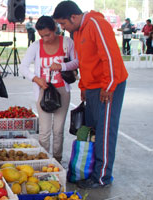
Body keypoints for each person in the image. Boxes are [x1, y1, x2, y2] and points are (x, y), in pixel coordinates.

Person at [53, 1, 128, 189]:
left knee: (105, 131)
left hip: (109, 85)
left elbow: (110, 57)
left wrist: (109, 86)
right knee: (93, 130)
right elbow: (85, 61)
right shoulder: (77, 31)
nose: (63, 28)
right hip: (93, 86)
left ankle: (102, 177)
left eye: (64, 24)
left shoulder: (96, 24)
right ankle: (91, 171)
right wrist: (84, 86)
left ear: (74, 16)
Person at [19, 16, 79, 163]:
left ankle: (57, 161)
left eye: (48, 35)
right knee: (44, 132)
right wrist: (36, 79)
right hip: (43, 92)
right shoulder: (36, 46)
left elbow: (77, 61)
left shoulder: (67, 42)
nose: (45, 39)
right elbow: (23, 67)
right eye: (42, 36)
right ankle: (43, 161)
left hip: (62, 92)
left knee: (58, 130)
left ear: (55, 29)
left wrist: (62, 66)